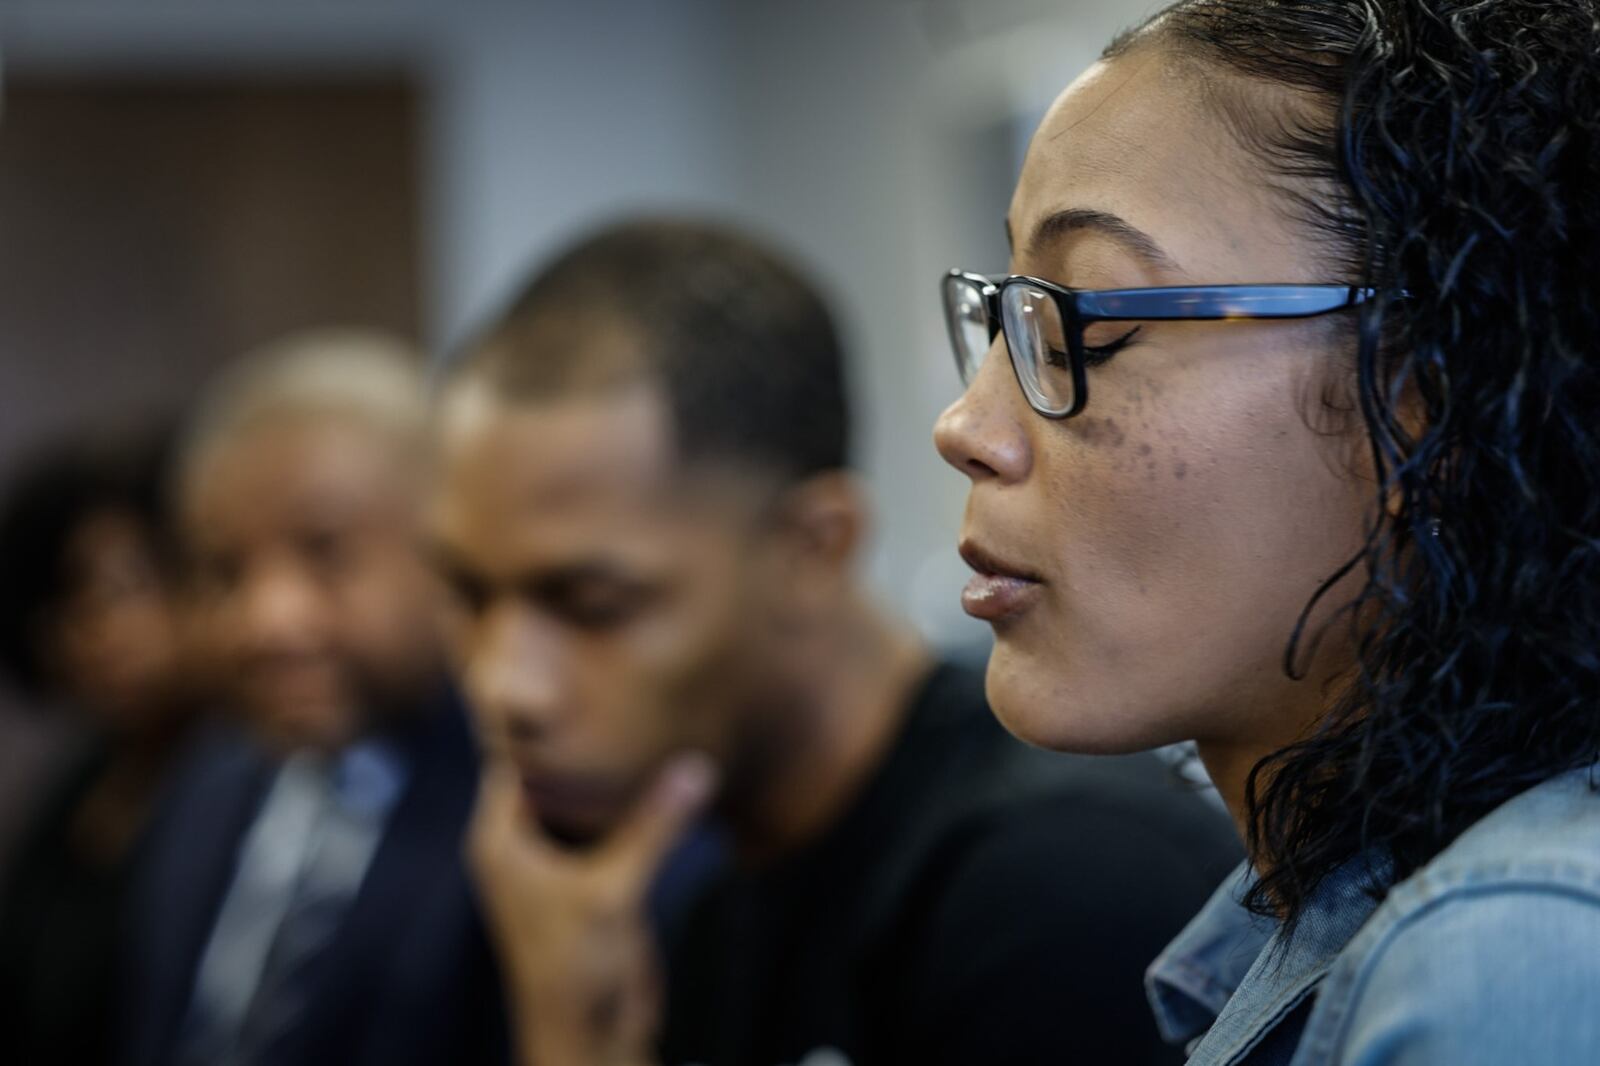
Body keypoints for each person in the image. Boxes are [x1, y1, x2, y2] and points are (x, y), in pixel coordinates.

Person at [933, 1, 1600, 1063]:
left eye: (1088, 319)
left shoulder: (1510, 958)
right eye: (1009, 311)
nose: (967, 428)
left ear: (1423, 411)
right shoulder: (1309, 917)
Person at [432, 217, 1241, 1066]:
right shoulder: (691, 900)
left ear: (813, 548)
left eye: (593, 604)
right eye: (467, 594)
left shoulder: (1062, 887)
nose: (503, 686)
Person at [122, 330, 506, 1066]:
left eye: (324, 551)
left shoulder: (517, 806)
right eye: (224, 571)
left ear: (448, 547)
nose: (266, 622)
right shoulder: (207, 779)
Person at [0, 423, 202, 1066]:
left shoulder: (241, 778)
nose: (97, 633)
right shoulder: (81, 782)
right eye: (67, 603)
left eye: (126, 589)